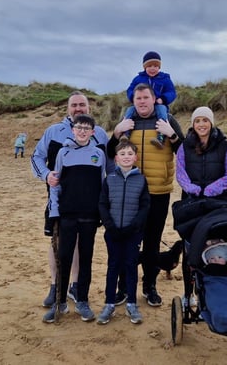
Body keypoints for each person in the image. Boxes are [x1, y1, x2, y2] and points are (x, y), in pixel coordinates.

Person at [31, 91, 115, 312]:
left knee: (82, 244)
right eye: (74, 105)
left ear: (88, 108)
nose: (78, 108)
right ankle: (55, 285)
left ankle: (76, 286)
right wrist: (46, 175)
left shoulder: (100, 136)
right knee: (57, 243)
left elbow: (109, 166)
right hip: (60, 199)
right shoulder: (53, 132)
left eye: (82, 105)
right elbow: (36, 156)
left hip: (88, 202)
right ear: (68, 109)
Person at [108, 83, 184, 307]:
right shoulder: (127, 123)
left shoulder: (167, 121)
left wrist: (172, 136)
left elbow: (185, 153)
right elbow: (110, 152)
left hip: (158, 192)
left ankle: (149, 286)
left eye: (146, 98)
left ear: (154, 100)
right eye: (138, 98)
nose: (142, 102)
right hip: (130, 193)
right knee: (128, 242)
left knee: (151, 242)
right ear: (134, 101)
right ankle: (123, 287)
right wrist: (116, 132)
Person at [43, 114, 106, 324]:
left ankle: (82, 300)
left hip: (89, 217)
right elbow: (55, 184)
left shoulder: (98, 154)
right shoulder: (63, 153)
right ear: (73, 130)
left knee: (86, 260)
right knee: (64, 258)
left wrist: (102, 213)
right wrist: (54, 214)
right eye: (79, 128)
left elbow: (102, 186)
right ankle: (59, 302)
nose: (82, 131)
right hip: (67, 216)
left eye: (86, 129)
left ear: (93, 132)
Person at [175, 106, 227, 306]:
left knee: (216, 243)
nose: (201, 124)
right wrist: (191, 187)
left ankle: (214, 291)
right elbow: (180, 171)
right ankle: (188, 293)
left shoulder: (225, 146)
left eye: (205, 120)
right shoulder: (185, 146)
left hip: (217, 201)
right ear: (193, 124)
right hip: (191, 202)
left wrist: (212, 188)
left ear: (211, 123)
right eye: (197, 121)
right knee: (189, 247)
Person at [97, 138, 151, 325]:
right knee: (113, 266)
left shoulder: (142, 180)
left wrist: (133, 227)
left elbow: (144, 207)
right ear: (116, 158)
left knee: (130, 266)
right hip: (113, 232)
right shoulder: (109, 179)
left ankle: (132, 304)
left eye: (130, 154)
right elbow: (103, 204)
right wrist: (110, 226)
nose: (126, 157)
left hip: (132, 233)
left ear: (135, 157)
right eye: (122, 154)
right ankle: (109, 303)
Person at [124, 51, 177, 149]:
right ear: (144, 67)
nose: (152, 68)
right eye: (149, 66)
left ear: (159, 67)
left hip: (158, 104)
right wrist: (134, 98)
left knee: (162, 112)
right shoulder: (138, 78)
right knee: (129, 111)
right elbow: (130, 89)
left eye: (155, 66)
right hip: (141, 105)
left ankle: (161, 137)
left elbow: (172, 92)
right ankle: (126, 134)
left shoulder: (165, 79)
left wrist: (163, 99)